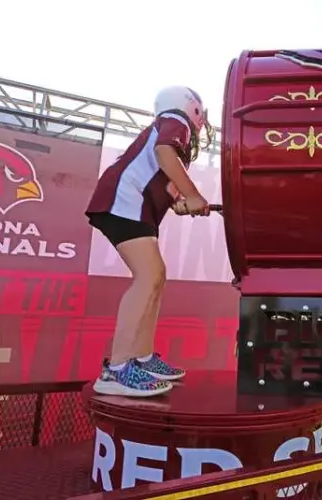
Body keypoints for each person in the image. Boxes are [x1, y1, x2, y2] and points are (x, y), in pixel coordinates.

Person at [85, 86, 213, 397]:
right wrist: (195, 196)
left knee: (156, 276)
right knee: (150, 275)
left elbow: (166, 186)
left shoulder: (171, 135)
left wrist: (184, 203)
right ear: (192, 109)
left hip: (128, 205)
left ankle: (141, 359)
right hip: (122, 201)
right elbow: (164, 153)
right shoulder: (175, 120)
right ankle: (116, 369)